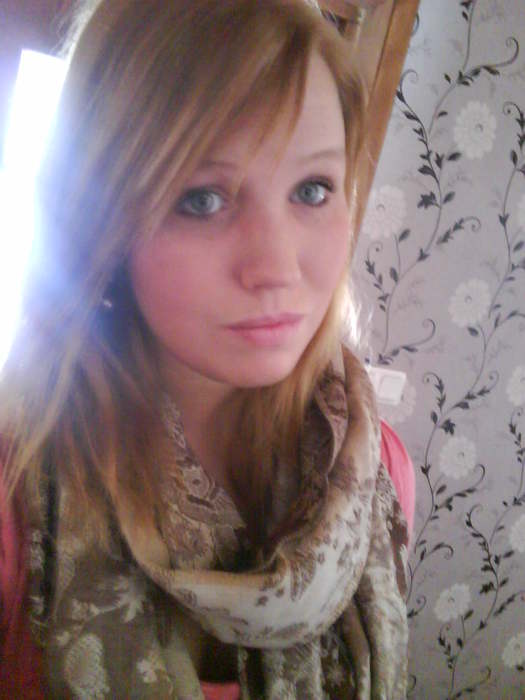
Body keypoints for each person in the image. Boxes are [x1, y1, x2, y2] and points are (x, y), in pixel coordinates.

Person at [0, 0, 412, 697]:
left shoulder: (378, 469)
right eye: (201, 200)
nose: (276, 267)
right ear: (102, 217)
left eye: (312, 189)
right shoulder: (17, 493)